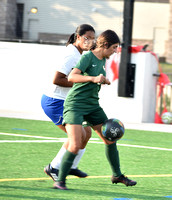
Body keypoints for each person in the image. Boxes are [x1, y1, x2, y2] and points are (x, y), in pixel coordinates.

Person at [54, 29, 137, 190]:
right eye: (114, 47)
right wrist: (93, 78)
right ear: (105, 45)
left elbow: (93, 80)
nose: (115, 51)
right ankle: (60, 181)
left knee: (110, 138)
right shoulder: (87, 57)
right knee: (76, 143)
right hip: (75, 105)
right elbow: (72, 77)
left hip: (93, 106)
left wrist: (102, 80)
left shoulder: (102, 59)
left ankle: (117, 175)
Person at [41, 24, 96, 181]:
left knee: (86, 133)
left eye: (93, 39)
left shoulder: (79, 54)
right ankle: (54, 168)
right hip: (54, 101)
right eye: (87, 38)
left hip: (67, 102)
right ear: (78, 37)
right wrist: (83, 83)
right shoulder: (70, 55)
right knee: (77, 136)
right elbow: (57, 80)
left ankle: (71, 166)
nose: (90, 42)